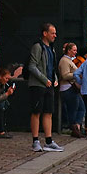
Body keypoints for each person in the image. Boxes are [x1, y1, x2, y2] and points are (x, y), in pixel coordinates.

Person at [27, 23, 63, 152]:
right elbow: (32, 66)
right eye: (52, 33)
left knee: (48, 112)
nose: (55, 35)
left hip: (49, 85)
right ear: (45, 33)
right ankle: (35, 141)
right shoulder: (38, 47)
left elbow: (51, 67)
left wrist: (55, 79)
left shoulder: (51, 49)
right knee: (36, 112)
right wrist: (44, 79)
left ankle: (48, 140)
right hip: (38, 85)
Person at [58, 42, 85, 138]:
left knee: (81, 108)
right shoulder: (65, 61)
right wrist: (77, 74)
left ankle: (76, 126)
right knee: (73, 109)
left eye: (76, 50)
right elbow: (65, 75)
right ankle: (73, 128)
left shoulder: (70, 60)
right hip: (68, 88)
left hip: (72, 88)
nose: (75, 52)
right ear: (68, 50)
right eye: (74, 50)